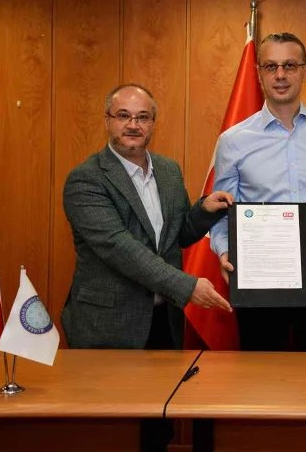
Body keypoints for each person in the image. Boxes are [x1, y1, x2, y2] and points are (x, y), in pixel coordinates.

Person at [210, 32, 306, 352]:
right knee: (262, 374)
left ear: (304, 71)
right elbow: (221, 211)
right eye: (271, 66)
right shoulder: (233, 141)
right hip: (261, 278)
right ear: (258, 73)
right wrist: (224, 251)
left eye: (290, 65)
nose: (280, 75)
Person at [62, 83, 233, 352]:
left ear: (153, 123)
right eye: (123, 115)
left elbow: (177, 235)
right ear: (107, 121)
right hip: (108, 326)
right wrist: (187, 287)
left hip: (164, 320)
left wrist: (204, 211)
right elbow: (120, 249)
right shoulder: (86, 179)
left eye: (142, 117)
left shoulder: (168, 170)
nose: (133, 125)